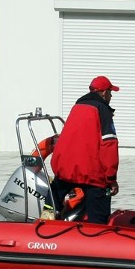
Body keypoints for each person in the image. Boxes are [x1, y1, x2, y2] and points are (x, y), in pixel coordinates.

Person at [50, 75, 120, 223]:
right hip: (92, 174)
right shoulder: (103, 110)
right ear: (103, 93)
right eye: (110, 92)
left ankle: (45, 226)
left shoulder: (77, 107)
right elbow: (109, 146)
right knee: (98, 218)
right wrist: (111, 179)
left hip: (64, 170)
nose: (111, 96)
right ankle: (96, 237)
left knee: (52, 203)